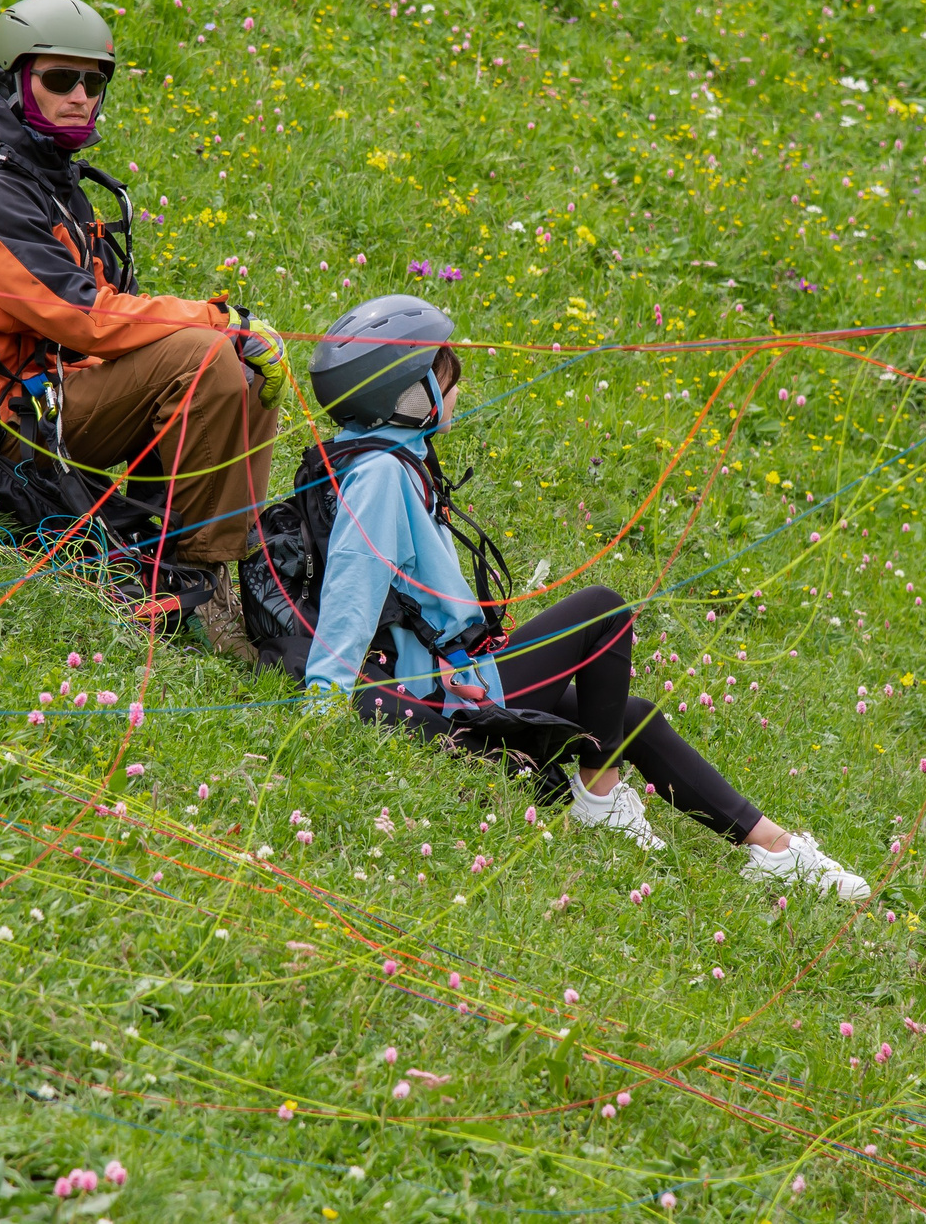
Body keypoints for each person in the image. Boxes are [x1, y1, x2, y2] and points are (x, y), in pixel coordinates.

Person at [298, 294, 871, 898]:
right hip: (444, 699)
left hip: (459, 672)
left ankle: (776, 850)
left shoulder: (397, 457)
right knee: (603, 608)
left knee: (631, 716)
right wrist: (323, 702)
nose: (457, 390)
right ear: (410, 398)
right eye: (446, 379)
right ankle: (599, 797)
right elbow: (353, 591)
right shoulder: (380, 476)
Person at [0, 0, 289, 633]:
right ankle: (195, 588)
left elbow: (98, 319)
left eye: (93, 83)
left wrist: (225, 334)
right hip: (2, 420)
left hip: (58, 391)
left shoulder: (47, 178)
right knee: (205, 353)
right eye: (61, 79)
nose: (80, 96)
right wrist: (215, 319)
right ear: (12, 82)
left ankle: (206, 561)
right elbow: (80, 317)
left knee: (242, 367)